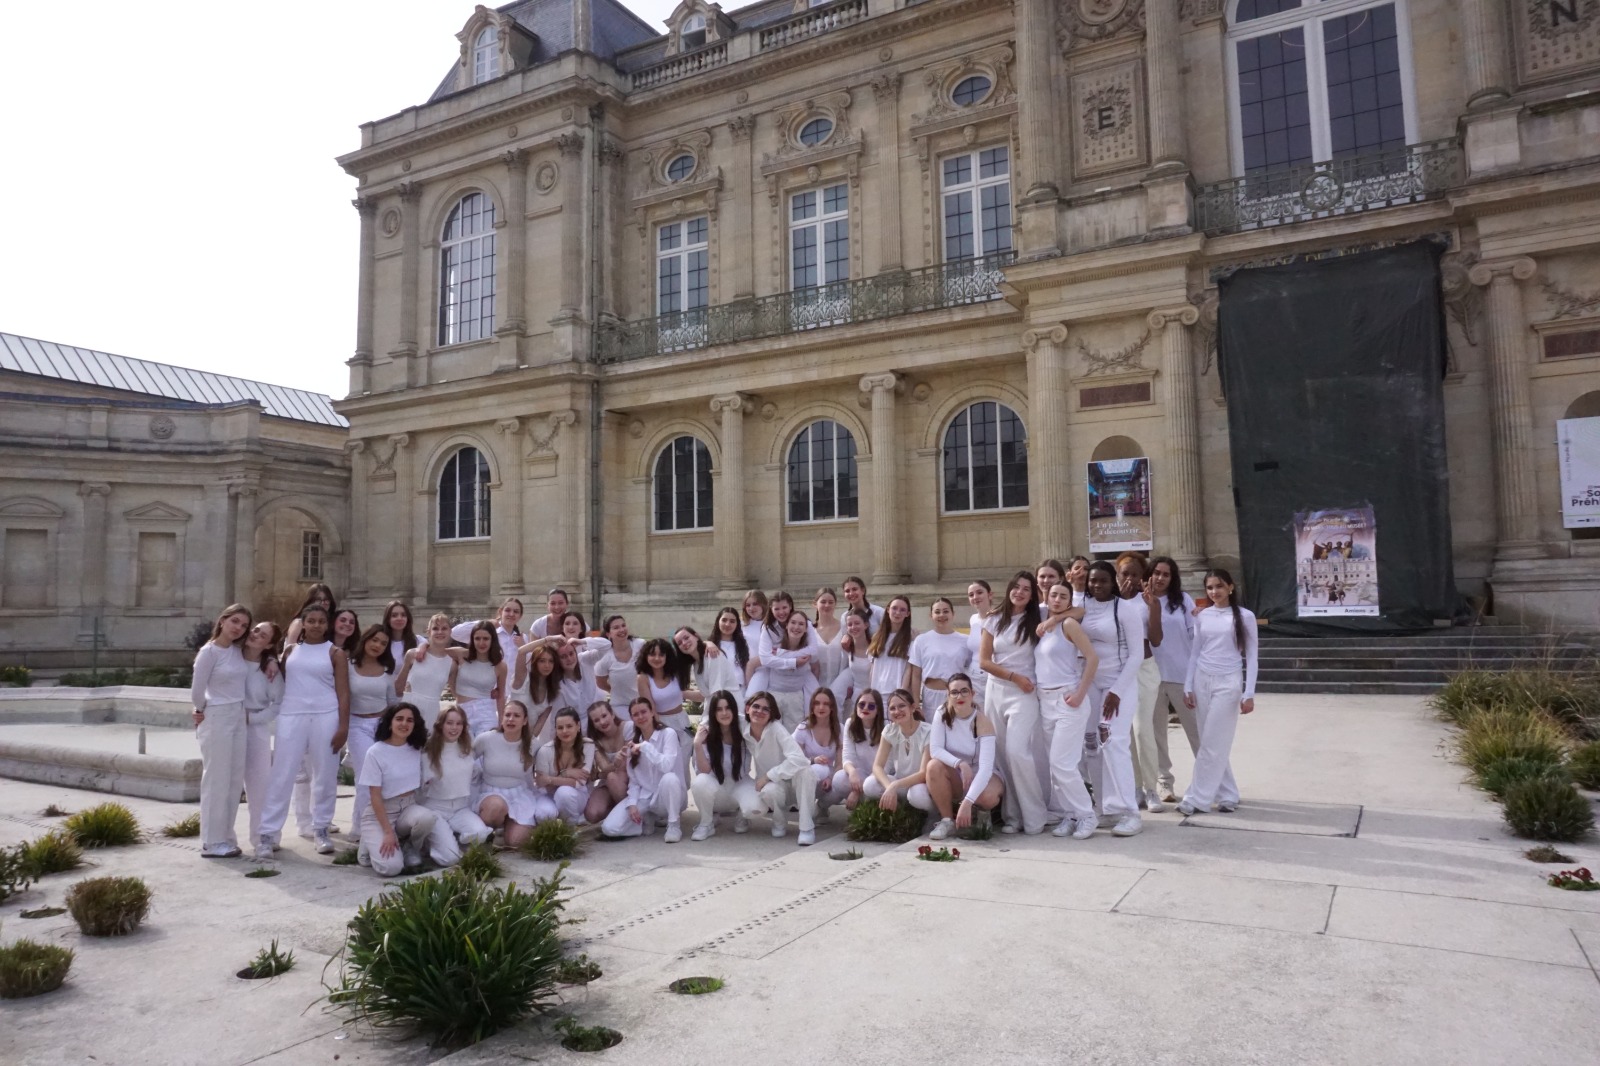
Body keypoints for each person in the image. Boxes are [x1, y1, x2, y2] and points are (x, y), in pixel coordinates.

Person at [257, 605, 349, 858]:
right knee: (282, 773)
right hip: (292, 714)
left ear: (327, 624)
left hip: (326, 715)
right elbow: (278, 678)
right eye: (312, 620)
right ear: (303, 624)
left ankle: (320, 829)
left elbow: (343, 692)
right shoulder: (290, 651)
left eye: (321, 621)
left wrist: (343, 726)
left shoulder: (335, 653)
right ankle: (267, 834)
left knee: (325, 774)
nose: (317, 625)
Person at [1179, 569, 1260, 816]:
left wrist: (1249, 693)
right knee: (1211, 742)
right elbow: (1195, 652)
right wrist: (1188, 685)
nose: (1215, 592)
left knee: (1213, 743)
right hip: (1203, 679)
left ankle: (1197, 798)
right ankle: (1227, 794)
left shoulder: (1245, 617)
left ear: (1231, 588)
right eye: (1210, 587)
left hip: (1229, 682)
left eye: (1219, 586)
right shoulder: (1203, 616)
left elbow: (1253, 656)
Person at [1080, 561, 1148, 837]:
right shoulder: (1082, 606)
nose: (1097, 585)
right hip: (1090, 684)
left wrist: (1117, 691)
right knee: (1092, 745)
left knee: (1114, 742)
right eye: (1093, 580)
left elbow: (1137, 655)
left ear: (1114, 583)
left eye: (1103, 581)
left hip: (1118, 685)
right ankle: (1104, 808)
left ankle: (1130, 811)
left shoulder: (1126, 609)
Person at [979, 571, 1046, 835]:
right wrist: (1013, 676)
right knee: (1003, 756)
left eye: (1026, 589)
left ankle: (1035, 815)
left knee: (1019, 752)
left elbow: (1075, 612)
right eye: (1016, 587)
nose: (1019, 592)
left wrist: (1021, 680)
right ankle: (1012, 816)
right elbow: (984, 661)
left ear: (1032, 595)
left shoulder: (1039, 616)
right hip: (997, 690)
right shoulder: (995, 619)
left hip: (1025, 693)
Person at [1034, 583, 1101, 839]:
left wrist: (1081, 692)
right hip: (1045, 699)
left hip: (1068, 697)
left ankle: (1087, 814)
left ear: (1069, 601)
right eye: (1054, 595)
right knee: (1058, 766)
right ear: (1046, 597)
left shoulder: (1068, 625)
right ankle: (1070, 814)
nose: (1058, 599)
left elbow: (1092, 658)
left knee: (1061, 763)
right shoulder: (1042, 624)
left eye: (1064, 596)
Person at [358, 702, 453, 876]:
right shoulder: (375, 752)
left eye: (410, 720)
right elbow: (375, 796)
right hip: (381, 812)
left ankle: (409, 846)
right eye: (399, 719)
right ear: (389, 722)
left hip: (407, 808)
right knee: (391, 868)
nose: (404, 724)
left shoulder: (416, 748)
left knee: (426, 818)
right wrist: (387, 832)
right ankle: (370, 840)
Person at [191, 603, 253, 859]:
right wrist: (200, 709)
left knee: (233, 779)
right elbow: (197, 689)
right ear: (223, 620)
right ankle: (212, 841)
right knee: (216, 779)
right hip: (216, 715)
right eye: (235, 621)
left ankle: (226, 834)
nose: (239, 628)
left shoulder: (238, 652)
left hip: (238, 715)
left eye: (244, 625)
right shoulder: (209, 652)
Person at [1116, 552, 1167, 813]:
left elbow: (1156, 640)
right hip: (1120, 671)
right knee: (1124, 733)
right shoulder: (1111, 602)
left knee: (1141, 729)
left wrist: (1154, 608)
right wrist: (1121, 601)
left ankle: (1151, 788)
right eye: (1125, 573)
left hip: (1145, 670)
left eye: (1135, 574)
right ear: (1117, 575)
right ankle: (1134, 787)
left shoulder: (1149, 601)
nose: (1130, 579)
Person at [347, 624, 402, 865]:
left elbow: (392, 702)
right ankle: (359, 830)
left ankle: (374, 824)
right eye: (374, 640)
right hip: (356, 725)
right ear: (365, 639)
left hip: (380, 725)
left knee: (381, 779)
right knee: (365, 778)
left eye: (383, 643)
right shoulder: (348, 667)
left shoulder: (386, 671)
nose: (377, 645)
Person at [926, 673, 1003, 840]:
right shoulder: (941, 713)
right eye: (954, 692)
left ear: (972, 694)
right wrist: (960, 763)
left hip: (982, 775)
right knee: (933, 766)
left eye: (964, 691)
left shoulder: (982, 721)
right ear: (948, 695)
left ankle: (982, 812)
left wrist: (967, 802)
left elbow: (985, 769)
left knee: (987, 796)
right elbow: (936, 750)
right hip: (958, 772)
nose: (959, 696)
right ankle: (947, 821)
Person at [1148, 557, 1200, 802]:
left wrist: (1196, 674)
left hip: (1182, 676)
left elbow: (1196, 637)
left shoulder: (1183, 601)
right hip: (1152, 677)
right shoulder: (1141, 601)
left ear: (1172, 578)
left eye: (1166, 574)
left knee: (1197, 732)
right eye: (1156, 572)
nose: (1160, 578)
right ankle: (1164, 784)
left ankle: (1210, 781)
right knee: (1157, 734)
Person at [600, 697, 686, 842]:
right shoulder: (633, 744)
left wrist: (646, 747)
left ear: (652, 712)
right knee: (609, 828)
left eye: (643, 712)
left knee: (669, 779)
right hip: (645, 798)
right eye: (635, 714)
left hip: (667, 797)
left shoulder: (668, 734)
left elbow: (666, 766)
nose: (640, 717)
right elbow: (634, 781)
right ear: (631, 718)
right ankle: (646, 819)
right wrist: (632, 803)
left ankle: (673, 824)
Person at [743, 691, 816, 845]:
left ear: (771, 714)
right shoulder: (743, 729)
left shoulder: (776, 729)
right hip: (772, 787)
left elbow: (799, 759)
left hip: (794, 785)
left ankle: (806, 828)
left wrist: (769, 775)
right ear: (747, 708)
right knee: (769, 791)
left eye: (765, 709)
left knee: (807, 771)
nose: (759, 711)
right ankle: (779, 822)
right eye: (756, 706)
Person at [420, 704, 492, 861]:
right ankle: (433, 840)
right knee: (449, 859)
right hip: (436, 809)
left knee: (479, 834)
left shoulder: (466, 749)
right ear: (441, 725)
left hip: (460, 809)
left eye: (459, 723)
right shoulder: (428, 751)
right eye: (449, 723)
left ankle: (450, 837)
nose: (454, 728)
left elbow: (474, 778)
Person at [689, 690, 764, 840]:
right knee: (699, 782)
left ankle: (742, 814)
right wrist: (697, 744)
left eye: (728, 708)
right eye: (719, 709)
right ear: (713, 713)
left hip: (740, 784)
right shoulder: (707, 732)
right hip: (717, 788)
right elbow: (704, 771)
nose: (724, 713)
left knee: (756, 808)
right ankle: (706, 823)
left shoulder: (744, 727)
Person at [240, 620, 284, 854]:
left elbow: (277, 704)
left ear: (269, 644)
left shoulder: (269, 670)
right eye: (256, 629)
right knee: (226, 784)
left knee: (259, 787)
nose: (256, 635)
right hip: (227, 726)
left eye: (263, 634)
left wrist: (251, 719)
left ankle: (264, 837)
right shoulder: (231, 656)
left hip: (255, 729)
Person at [475, 699, 543, 846]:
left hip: (519, 794)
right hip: (491, 793)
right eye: (507, 715)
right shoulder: (486, 739)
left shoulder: (533, 744)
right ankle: (490, 831)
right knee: (496, 808)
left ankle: (509, 829)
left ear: (525, 721)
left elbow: (544, 769)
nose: (511, 719)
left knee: (516, 842)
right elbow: (466, 761)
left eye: (516, 716)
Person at [867, 688, 933, 815]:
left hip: (920, 785)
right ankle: (900, 811)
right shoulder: (889, 730)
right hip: (900, 783)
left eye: (902, 706)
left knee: (917, 795)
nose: (897, 711)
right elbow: (877, 766)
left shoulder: (927, 731)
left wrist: (894, 786)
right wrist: (889, 786)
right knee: (870, 784)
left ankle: (933, 815)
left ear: (913, 708)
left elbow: (923, 773)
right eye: (892, 708)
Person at [907, 597, 970, 720]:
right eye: (937, 612)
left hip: (958, 696)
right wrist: (915, 703)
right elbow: (916, 675)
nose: (942, 615)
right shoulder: (921, 640)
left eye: (946, 611)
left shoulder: (965, 640)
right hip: (931, 696)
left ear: (953, 614)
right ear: (931, 615)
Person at [396, 613, 465, 715]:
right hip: (409, 709)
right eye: (435, 628)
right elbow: (398, 688)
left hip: (432, 712)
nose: (440, 632)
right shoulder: (412, 654)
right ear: (428, 632)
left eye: (444, 628)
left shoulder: (451, 665)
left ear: (450, 632)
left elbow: (457, 695)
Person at [535, 707, 594, 824]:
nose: (565, 731)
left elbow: (580, 782)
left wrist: (551, 779)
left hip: (575, 795)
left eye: (569, 726)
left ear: (578, 726)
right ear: (555, 730)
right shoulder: (545, 750)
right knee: (544, 815)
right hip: (548, 795)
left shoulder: (588, 745)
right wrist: (568, 775)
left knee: (564, 793)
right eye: (560, 728)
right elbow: (541, 783)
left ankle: (571, 827)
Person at [763, 609, 820, 728]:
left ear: (806, 629)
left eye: (801, 624)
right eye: (793, 623)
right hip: (774, 696)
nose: (796, 627)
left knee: (793, 737)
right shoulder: (773, 648)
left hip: (796, 698)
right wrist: (793, 661)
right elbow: (758, 662)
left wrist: (781, 654)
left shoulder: (808, 651)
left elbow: (815, 668)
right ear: (786, 625)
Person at [794, 689, 846, 816]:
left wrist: (830, 777)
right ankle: (806, 810)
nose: (821, 707)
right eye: (817, 703)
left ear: (832, 707)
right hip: (805, 775)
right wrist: (813, 760)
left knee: (841, 784)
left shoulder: (840, 729)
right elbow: (795, 759)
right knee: (818, 768)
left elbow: (840, 763)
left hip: (827, 778)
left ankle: (822, 807)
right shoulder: (803, 728)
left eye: (826, 704)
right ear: (812, 706)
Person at [451, 621, 507, 737]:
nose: (481, 643)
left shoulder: (500, 665)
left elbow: (501, 695)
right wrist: (421, 647)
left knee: (485, 750)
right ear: (472, 640)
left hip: (486, 711)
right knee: (464, 751)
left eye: (486, 638)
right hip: (462, 711)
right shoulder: (461, 654)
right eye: (477, 638)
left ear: (493, 640)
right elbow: (436, 651)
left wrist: (501, 720)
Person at [834, 688, 885, 811]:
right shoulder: (850, 724)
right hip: (861, 773)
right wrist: (852, 772)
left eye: (871, 706)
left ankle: (869, 809)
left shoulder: (886, 728)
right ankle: (862, 809)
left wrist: (856, 791)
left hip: (881, 776)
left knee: (871, 786)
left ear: (878, 710)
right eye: (861, 704)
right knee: (838, 779)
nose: (865, 708)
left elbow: (886, 766)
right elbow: (847, 756)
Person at [584, 701, 632, 824]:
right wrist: (610, 768)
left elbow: (623, 767)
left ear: (612, 714)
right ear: (593, 724)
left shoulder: (628, 727)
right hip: (608, 782)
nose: (602, 722)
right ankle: (616, 813)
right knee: (592, 814)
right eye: (596, 720)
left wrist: (600, 774)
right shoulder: (593, 740)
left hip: (630, 780)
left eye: (604, 716)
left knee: (612, 777)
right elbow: (604, 767)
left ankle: (631, 818)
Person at [511, 640, 562, 744]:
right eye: (542, 661)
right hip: (508, 734)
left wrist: (528, 743)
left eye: (551, 661)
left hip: (527, 740)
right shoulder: (523, 679)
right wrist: (548, 638)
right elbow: (521, 651)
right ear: (535, 662)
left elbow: (540, 723)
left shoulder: (552, 690)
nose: (547, 665)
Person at [593, 614, 645, 715]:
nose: (621, 629)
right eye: (616, 627)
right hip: (621, 707)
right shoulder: (604, 656)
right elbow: (600, 682)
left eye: (623, 625)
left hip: (644, 704)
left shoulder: (640, 645)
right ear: (608, 634)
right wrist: (617, 691)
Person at [827, 607, 873, 714]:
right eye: (850, 624)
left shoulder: (875, 648)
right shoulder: (847, 648)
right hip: (856, 697)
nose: (853, 627)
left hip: (873, 697)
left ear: (866, 625)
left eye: (857, 623)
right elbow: (845, 670)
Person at [451, 597, 525, 664]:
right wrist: (485, 623)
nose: (511, 614)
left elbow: (528, 665)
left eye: (516, 611)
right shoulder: (487, 632)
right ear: (500, 612)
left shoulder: (522, 638)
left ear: (520, 616)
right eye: (507, 610)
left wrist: (523, 648)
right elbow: (454, 633)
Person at [711, 607, 751, 702]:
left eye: (732, 621)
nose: (727, 624)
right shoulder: (710, 645)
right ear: (718, 622)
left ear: (737, 624)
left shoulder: (743, 645)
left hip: (739, 692)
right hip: (718, 693)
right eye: (724, 620)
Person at [964, 580, 994, 710]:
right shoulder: (973, 619)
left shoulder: (1000, 618)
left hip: (992, 676)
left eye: (979, 592)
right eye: (971, 595)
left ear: (990, 595)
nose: (975, 597)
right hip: (973, 677)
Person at [812, 588, 845, 687]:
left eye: (831, 602)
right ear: (815, 604)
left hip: (840, 687)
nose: (827, 605)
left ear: (835, 604)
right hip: (815, 687)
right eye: (823, 602)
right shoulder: (810, 631)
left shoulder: (844, 628)